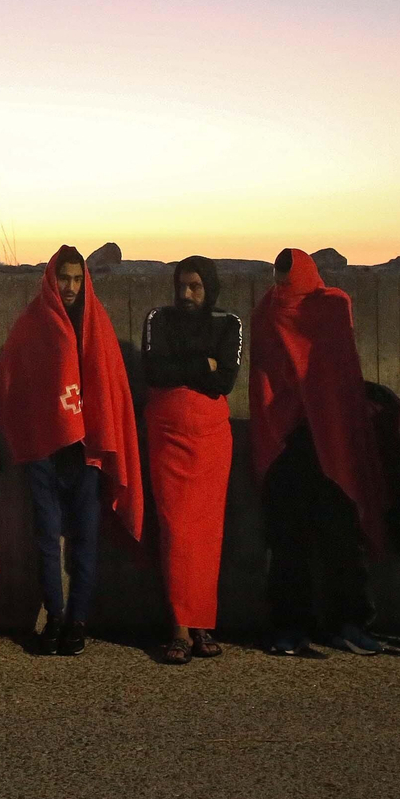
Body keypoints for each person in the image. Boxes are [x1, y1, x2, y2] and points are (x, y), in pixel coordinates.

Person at [0, 245, 143, 656]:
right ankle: (54, 617)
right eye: (65, 279)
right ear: (51, 278)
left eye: (78, 279)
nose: (71, 287)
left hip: (85, 447)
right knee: (45, 535)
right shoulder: (33, 321)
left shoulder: (97, 323)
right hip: (44, 446)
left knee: (84, 537)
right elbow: (12, 379)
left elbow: (111, 384)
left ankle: (77, 621)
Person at [251, 248, 389, 658]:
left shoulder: (330, 308)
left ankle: (345, 622)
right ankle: (291, 626)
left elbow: (339, 371)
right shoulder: (270, 312)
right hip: (288, 440)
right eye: (277, 277)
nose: (280, 286)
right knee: (288, 540)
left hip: (328, 437)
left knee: (341, 536)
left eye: (286, 278)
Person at [141, 255, 240, 663]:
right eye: (181, 286)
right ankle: (179, 628)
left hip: (212, 440)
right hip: (167, 436)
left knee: (207, 532)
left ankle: (201, 624)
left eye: (195, 287)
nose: (186, 294)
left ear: (209, 287)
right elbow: (153, 371)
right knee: (177, 529)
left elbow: (227, 381)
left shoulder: (229, 322)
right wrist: (202, 364)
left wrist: (183, 368)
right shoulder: (156, 318)